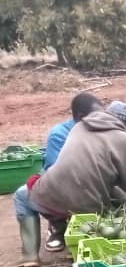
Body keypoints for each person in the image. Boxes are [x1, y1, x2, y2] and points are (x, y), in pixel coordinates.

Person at [10, 101, 126, 267]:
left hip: (50, 193)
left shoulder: (79, 127)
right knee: (101, 204)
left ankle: (29, 255)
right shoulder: (124, 139)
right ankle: (72, 238)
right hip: (90, 208)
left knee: (22, 196)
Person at [41, 91, 103, 253]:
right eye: (96, 116)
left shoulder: (97, 130)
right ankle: (58, 227)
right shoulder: (59, 134)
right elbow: (59, 174)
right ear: (81, 116)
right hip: (63, 186)